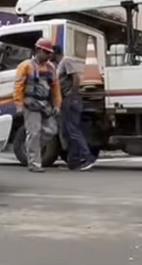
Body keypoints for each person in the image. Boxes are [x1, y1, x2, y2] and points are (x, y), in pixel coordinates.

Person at [13, 38, 61, 173]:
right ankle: (34, 163)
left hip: (45, 104)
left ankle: (32, 150)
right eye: (46, 52)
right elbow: (18, 86)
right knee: (33, 133)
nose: (48, 55)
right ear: (38, 50)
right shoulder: (25, 66)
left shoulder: (51, 68)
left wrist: (57, 105)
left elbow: (55, 88)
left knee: (51, 130)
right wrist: (19, 104)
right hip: (30, 103)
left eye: (49, 53)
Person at [56, 44, 97, 171]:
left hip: (70, 99)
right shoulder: (59, 65)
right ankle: (73, 162)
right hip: (66, 100)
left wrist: (72, 95)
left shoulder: (65, 61)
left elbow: (75, 77)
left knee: (73, 131)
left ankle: (88, 157)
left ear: (53, 53)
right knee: (68, 132)